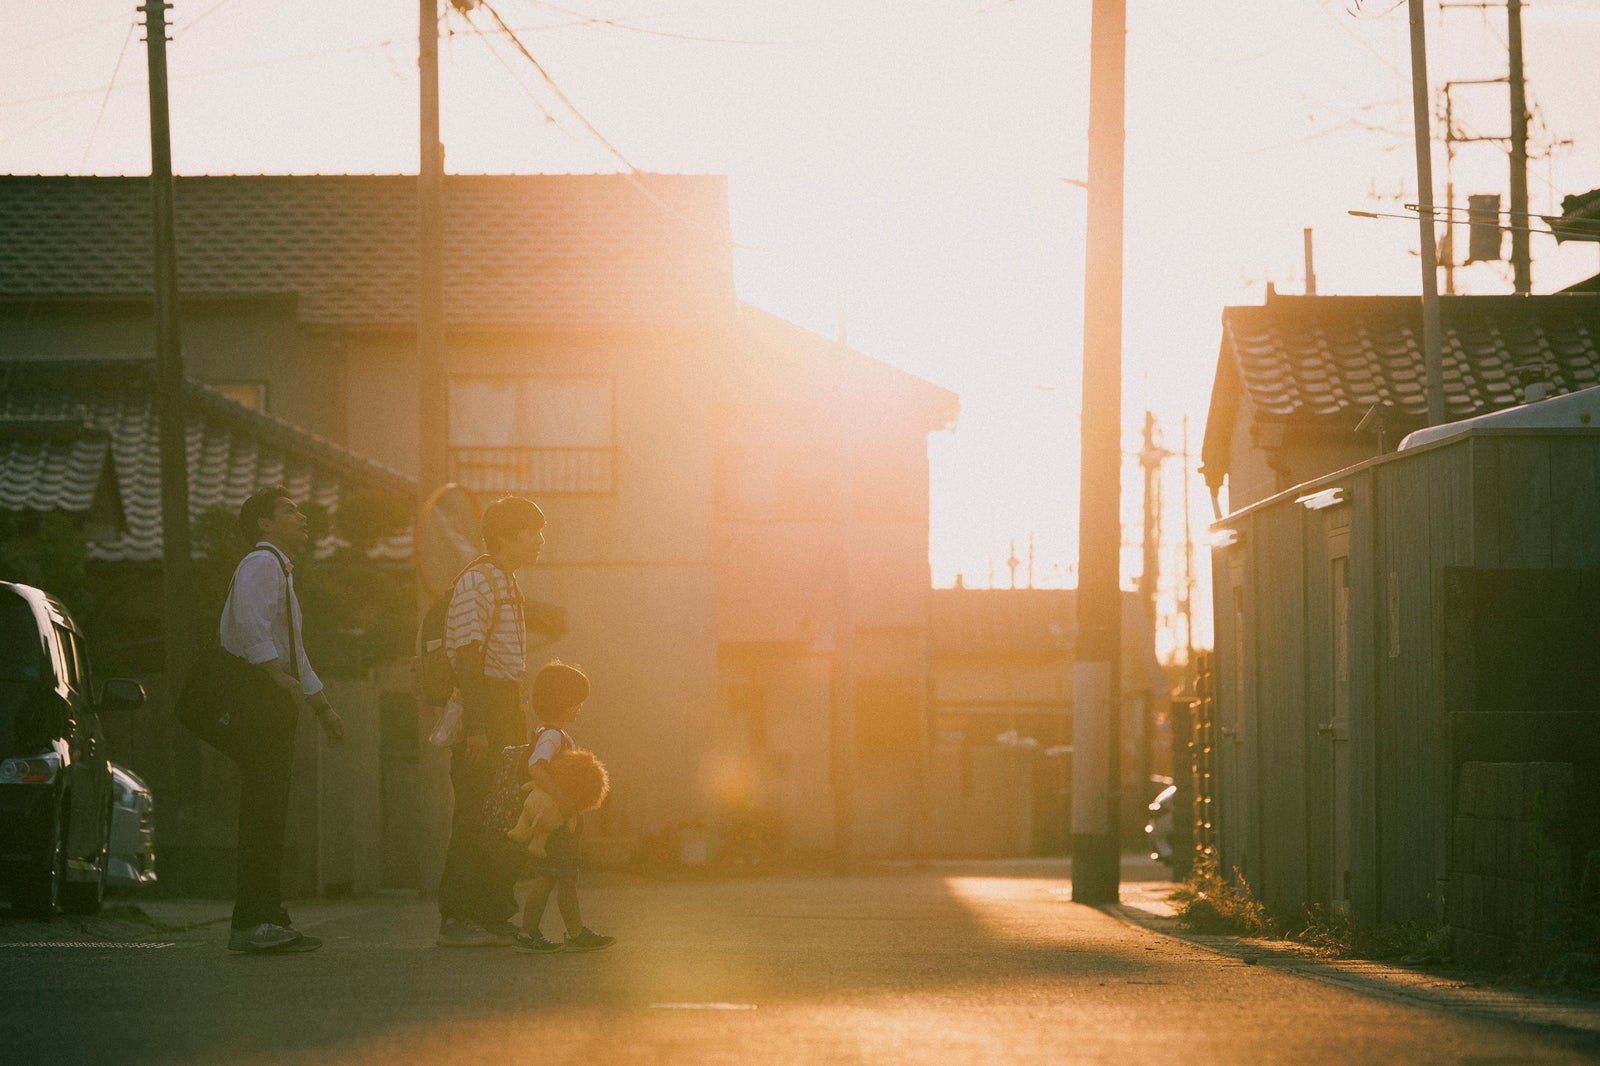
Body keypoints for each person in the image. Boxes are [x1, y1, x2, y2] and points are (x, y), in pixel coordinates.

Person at [220, 485, 344, 953]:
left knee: (270, 812)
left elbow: (295, 649)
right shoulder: (261, 563)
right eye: (289, 511)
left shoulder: (279, 569)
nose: (302, 516)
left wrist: (322, 705)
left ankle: (267, 918)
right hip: (259, 694)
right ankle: (252, 922)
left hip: (271, 694)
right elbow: (251, 625)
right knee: (262, 814)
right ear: (264, 525)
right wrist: (275, 675)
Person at [436, 495, 546, 947]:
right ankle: (458, 918)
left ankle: (491, 913)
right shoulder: (479, 581)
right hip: (485, 705)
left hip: (505, 707)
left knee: (502, 813)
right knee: (475, 814)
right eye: (532, 532)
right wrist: (477, 727)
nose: (540, 541)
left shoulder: (504, 580)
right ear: (505, 536)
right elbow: (467, 655)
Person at [514, 660, 615, 954]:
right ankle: (528, 931)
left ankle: (575, 932)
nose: (579, 707)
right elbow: (536, 767)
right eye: (576, 701)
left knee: (566, 878)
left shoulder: (555, 734)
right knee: (547, 878)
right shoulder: (551, 736)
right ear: (561, 700)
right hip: (556, 822)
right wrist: (562, 800)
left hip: (564, 821)